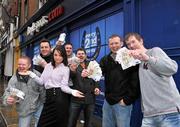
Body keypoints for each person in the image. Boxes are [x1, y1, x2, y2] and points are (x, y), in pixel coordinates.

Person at [124, 32, 180, 127]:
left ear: (141, 41)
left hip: (168, 113)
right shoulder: (136, 62)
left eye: (133, 42)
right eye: (128, 44)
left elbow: (172, 68)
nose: (131, 46)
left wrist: (148, 58)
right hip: (148, 115)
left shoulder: (154, 51)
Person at [28, 45, 84, 127]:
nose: (58, 57)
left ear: (64, 56)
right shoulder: (48, 66)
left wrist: (72, 91)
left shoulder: (65, 68)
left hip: (60, 99)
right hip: (49, 98)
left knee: (60, 123)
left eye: (60, 55)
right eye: (55, 55)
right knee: (42, 123)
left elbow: (64, 86)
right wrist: (31, 74)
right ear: (53, 55)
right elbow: (41, 82)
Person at [99, 34, 140, 127]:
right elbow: (98, 73)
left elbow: (135, 81)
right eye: (111, 44)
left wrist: (127, 99)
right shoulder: (105, 60)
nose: (114, 46)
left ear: (121, 43)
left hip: (122, 102)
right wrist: (89, 73)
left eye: (116, 43)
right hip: (108, 101)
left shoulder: (130, 57)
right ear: (108, 45)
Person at [3, 56, 45, 127]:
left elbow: (42, 90)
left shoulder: (36, 75)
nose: (21, 66)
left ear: (29, 65)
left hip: (38, 106)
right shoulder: (14, 78)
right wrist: (7, 99)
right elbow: (8, 91)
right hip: (24, 109)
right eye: (19, 64)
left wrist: (45, 103)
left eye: (23, 64)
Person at [68, 48, 100, 127]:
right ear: (76, 56)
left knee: (88, 124)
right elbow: (70, 77)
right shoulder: (73, 65)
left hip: (90, 99)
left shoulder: (91, 64)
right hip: (76, 100)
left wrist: (96, 87)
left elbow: (96, 77)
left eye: (82, 54)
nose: (81, 55)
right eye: (79, 54)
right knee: (71, 122)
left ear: (85, 55)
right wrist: (72, 70)